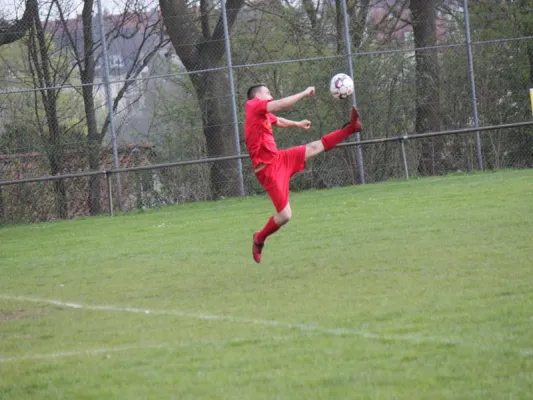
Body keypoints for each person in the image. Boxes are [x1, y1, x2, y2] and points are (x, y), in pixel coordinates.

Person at [244, 84, 361, 263]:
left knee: (313, 147)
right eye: (268, 92)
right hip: (268, 171)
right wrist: (304, 93)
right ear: (257, 95)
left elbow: (279, 120)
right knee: (285, 216)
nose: (271, 94)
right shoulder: (253, 105)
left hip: (278, 159)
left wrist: (297, 124)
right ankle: (259, 238)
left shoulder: (262, 113)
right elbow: (280, 105)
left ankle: (351, 128)